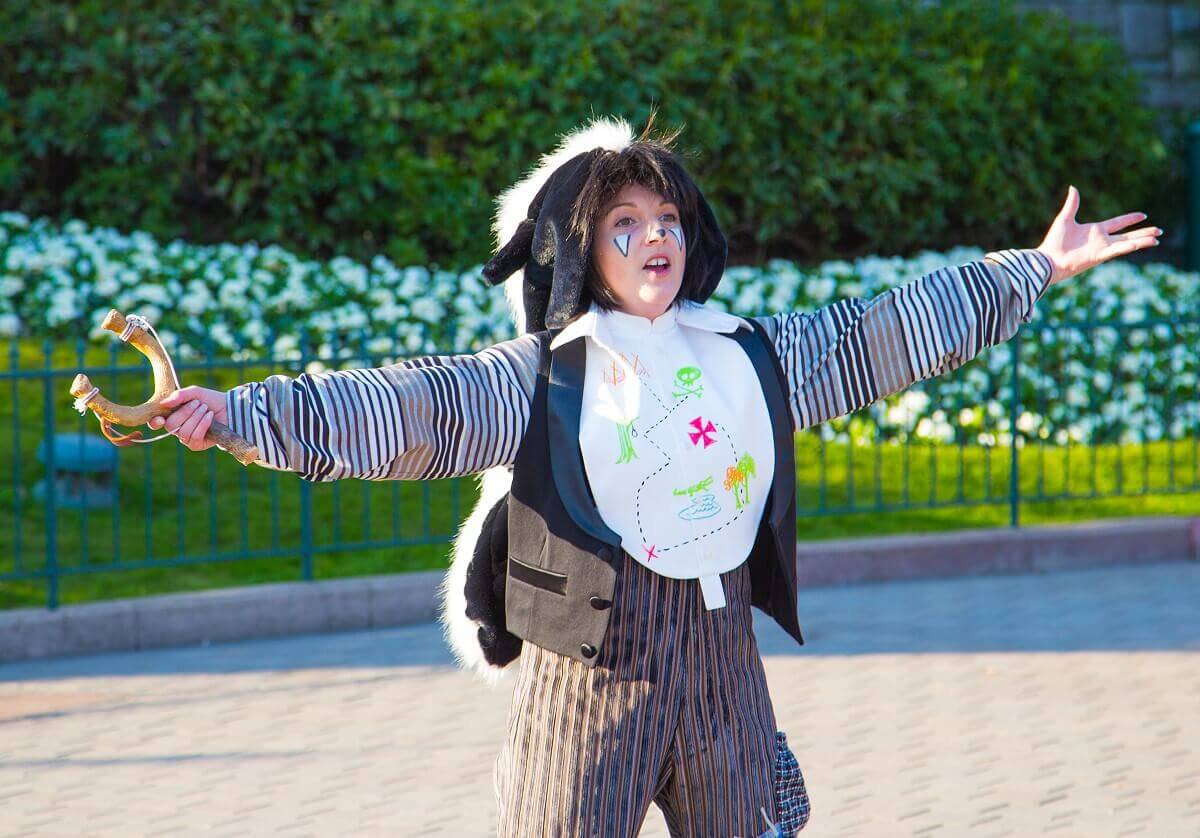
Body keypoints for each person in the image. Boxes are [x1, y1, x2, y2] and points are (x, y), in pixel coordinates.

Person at [149, 114, 1160, 837]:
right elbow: (414, 408)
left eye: (666, 218)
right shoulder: (543, 378)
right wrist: (241, 416)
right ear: (581, 252)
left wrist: (1031, 267)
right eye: (623, 225)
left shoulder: (747, 353)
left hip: (722, 667)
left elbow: (881, 332)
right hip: (591, 673)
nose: (655, 238)